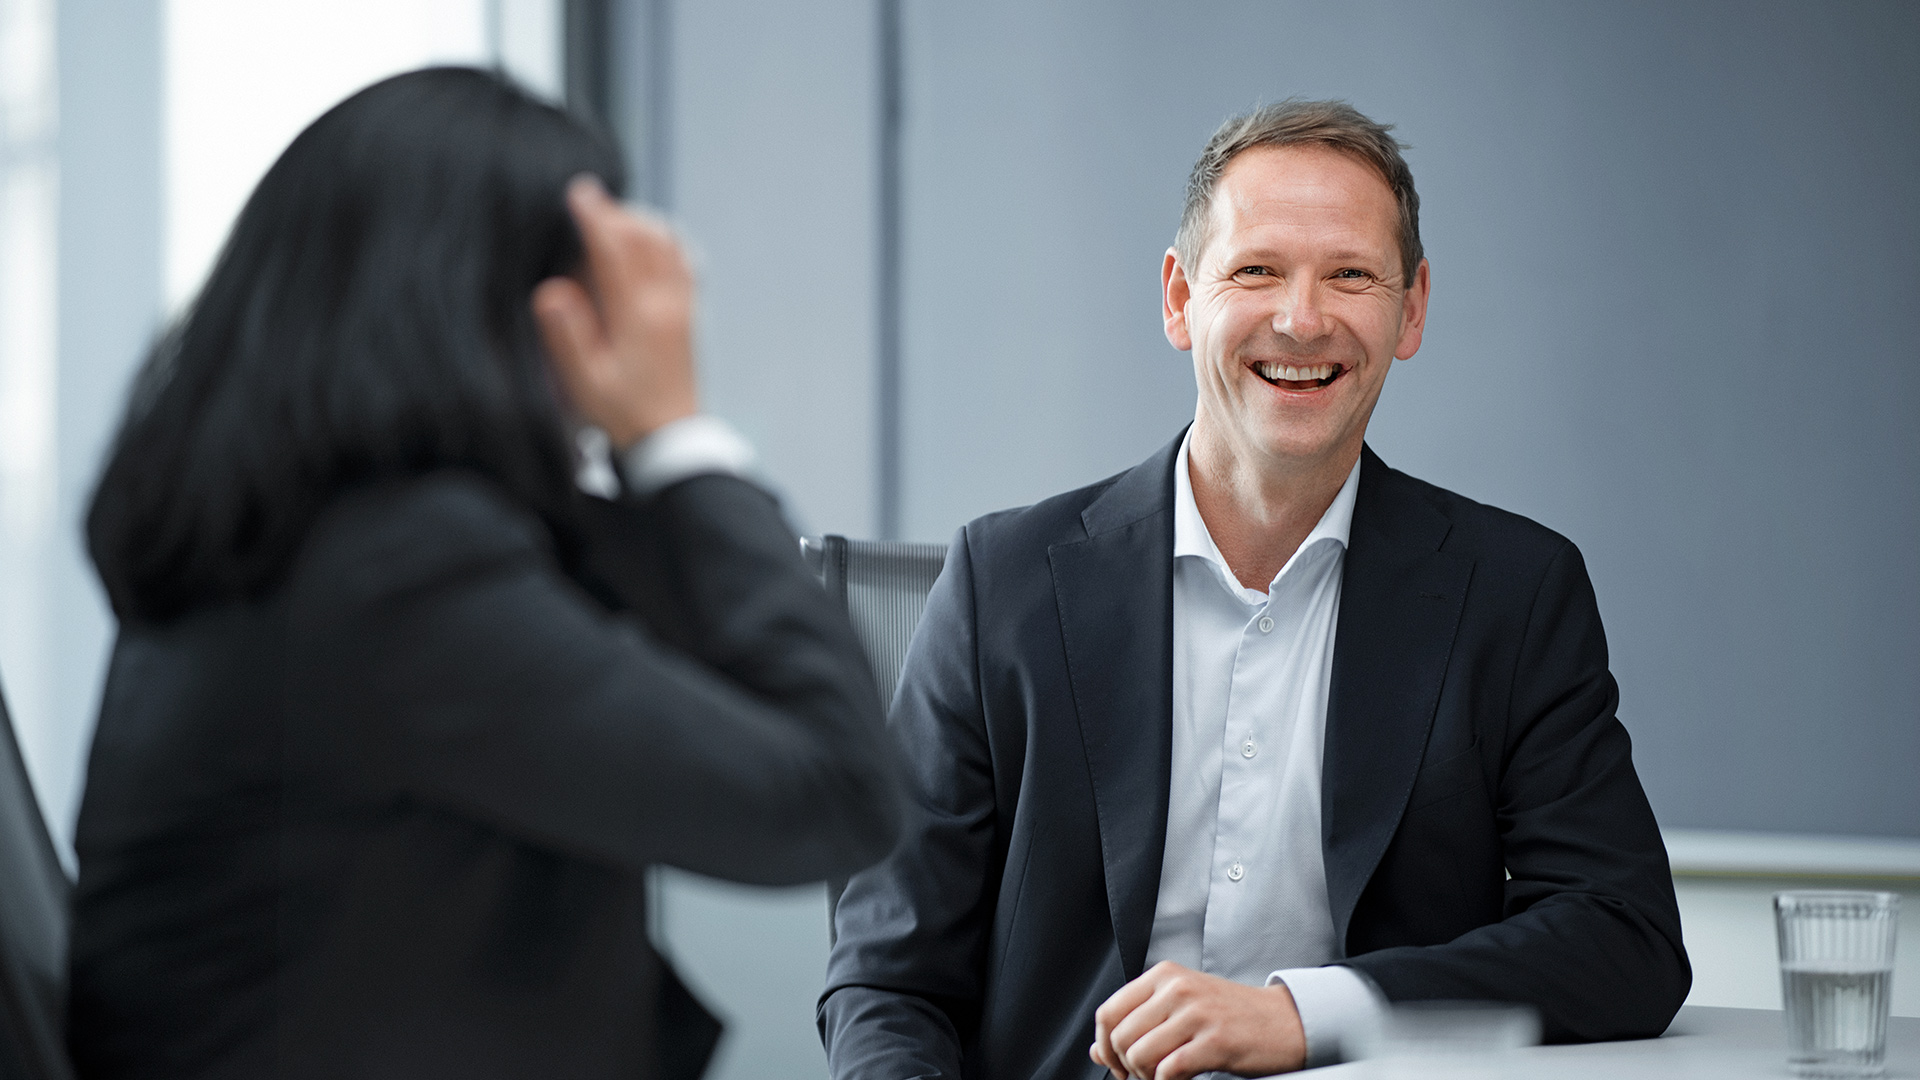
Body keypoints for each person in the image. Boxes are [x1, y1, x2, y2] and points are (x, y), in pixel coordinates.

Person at [820, 100, 1689, 1079]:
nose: (1303, 319)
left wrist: (1308, 1014)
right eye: (1257, 270)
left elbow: (1625, 938)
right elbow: (887, 981)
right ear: (1180, 298)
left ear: (1411, 310)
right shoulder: (1002, 584)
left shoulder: (1516, 593)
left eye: (1351, 275)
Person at [69, 67, 900, 1080]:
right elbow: (838, 789)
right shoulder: (394, 577)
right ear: (513, 310)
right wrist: (673, 432)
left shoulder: (294, 543)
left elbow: (703, 633)